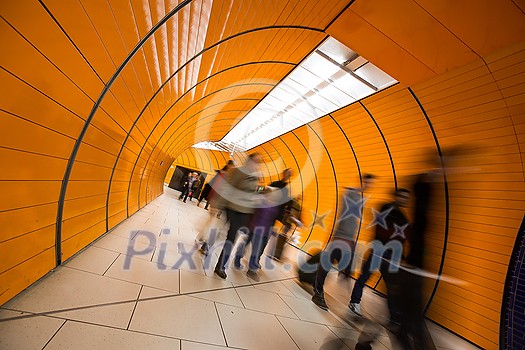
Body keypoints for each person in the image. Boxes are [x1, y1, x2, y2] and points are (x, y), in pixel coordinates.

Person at [311, 174, 376, 311]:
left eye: (371, 184)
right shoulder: (351, 194)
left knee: (346, 269)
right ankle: (318, 292)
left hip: (348, 240)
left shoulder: (360, 198)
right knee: (326, 266)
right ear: (362, 181)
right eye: (367, 182)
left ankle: (319, 287)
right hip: (339, 238)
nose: (369, 186)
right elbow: (341, 217)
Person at [348, 188, 411, 322]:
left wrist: (401, 258)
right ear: (396, 196)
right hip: (380, 250)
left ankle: (394, 315)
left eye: (406, 198)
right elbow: (382, 230)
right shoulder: (388, 209)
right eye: (402, 197)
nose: (404, 200)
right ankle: (355, 302)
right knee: (365, 277)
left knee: (390, 285)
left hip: (390, 254)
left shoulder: (403, 217)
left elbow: (401, 239)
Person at [214, 153, 263, 279]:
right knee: (230, 238)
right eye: (255, 161)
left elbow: (256, 193)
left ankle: (220, 263)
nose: (257, 164)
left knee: (231, 237)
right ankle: (220, 266)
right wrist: (218, 205)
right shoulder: (238, 172)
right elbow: (227, 188)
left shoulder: (256, 176)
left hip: (245, 212)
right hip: (233, 208)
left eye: (259, 162)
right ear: (249, 160)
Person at [233, 186, 281, 281]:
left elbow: (271, 219)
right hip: (255, 228)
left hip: (262, 230)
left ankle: (238, 259)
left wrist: (271, 231)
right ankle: (251, 269)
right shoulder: (260, 200)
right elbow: (251, 211)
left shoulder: (274, 205)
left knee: (248, 245)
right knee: (254, 249)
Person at [195, 160, 236, 255]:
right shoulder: (223, 176)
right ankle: (205, 242)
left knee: (212, 224)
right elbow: (208, 187)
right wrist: (200, 199)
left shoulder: (228, 177)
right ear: (229, 166)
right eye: (232, 167)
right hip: (217, 204)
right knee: (213, 225)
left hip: (221, 206)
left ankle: (202, 237)